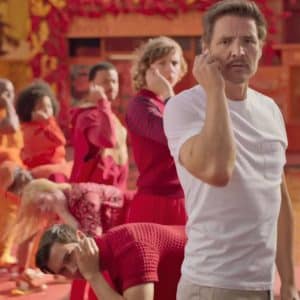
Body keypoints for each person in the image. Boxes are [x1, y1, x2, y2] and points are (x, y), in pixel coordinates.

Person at [163, 1, 299, 299]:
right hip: (212, 284)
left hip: (263, 285)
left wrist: (287, 282)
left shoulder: (270, 111)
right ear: (206, 49)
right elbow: (217, 170)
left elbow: (278, 199)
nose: (238, 51)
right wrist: (215, 91)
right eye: (225, 41)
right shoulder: (183, 107)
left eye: (248, 41)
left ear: (261, 47)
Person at [125, 36, 187, 225]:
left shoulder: (168, 103)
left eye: (175, 63)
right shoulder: (140, 105)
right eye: (162, 63)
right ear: (147, 70)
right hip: (156, 205)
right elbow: (174, 135)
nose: (171, 69)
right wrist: (169, 93)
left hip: (181, 201)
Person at [36, 223, 186, 300]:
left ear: (81, 237)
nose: (72, 269)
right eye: (63, 270)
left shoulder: (130, 247)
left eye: (69, 256)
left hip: (207, 276)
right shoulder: (103, 252)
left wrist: (93, 276)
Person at [70, 62, 128, 190]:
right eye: (105, 82)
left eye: (114, 81)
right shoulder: (87, 117)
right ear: (92, 86)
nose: (111, 86)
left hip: (114, 194)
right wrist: (102, 103)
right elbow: (107, 140)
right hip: (92, 196)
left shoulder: (110, 116)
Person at [15, 80, 72, 180]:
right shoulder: (28, 129)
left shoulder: (49, 124)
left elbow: (61, 141)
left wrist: (48, 123)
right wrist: (47, 122)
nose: (47, 110)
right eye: (41, 106)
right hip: (42, 172)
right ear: (30, 110)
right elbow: (59, 140)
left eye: (49, 107)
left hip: (60, 168)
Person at [0, 78, 23, 167]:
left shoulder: (11, 113)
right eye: (6, 92)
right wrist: (8, 103)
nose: (10, 95)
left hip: (16, 162)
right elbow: (11, 126)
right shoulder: (10, 111)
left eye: (12, 92)